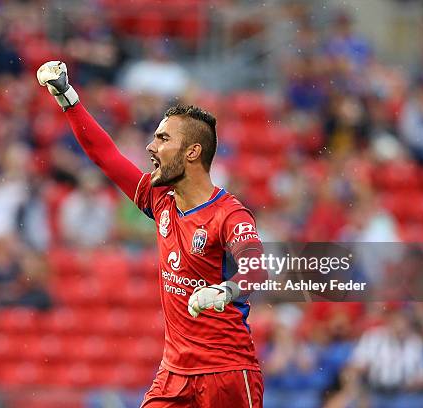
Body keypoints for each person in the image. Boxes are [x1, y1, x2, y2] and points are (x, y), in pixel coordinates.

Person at [37, 61, 266, 407]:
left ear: (192, 152)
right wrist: (68, 98)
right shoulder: (159, 200)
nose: (150, 147)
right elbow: (106, 156)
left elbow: (257, 269)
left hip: (227, 371)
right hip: (173, 373)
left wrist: (225, 290)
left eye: (162, 139)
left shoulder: (228, 214)